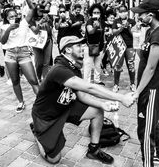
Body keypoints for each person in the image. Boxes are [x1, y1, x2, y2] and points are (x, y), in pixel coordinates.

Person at [30, 35, 137, 164]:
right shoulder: (59, 69)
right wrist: (121, 98)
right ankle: (37, 134)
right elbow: (90, 88)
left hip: (65, 107)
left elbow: (82, 95)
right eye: (78, 46)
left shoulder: (74, 67)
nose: (83, 48)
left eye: (82, 45)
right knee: (54, 159)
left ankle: (94, 150)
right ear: (68, 50)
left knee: (97, 111)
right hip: (46, 116)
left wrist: (102, 105)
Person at [131, 0, 159, 167]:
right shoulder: (150, 32)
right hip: (148, 87)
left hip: (152, 89)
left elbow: (151, 68)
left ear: (151, 15)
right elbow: (143, 56)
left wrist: (137, 92)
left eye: (141, 14)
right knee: (151, 123)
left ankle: (148, 164)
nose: (138, 16)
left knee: (145, 132)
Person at [0, 0, 39, 113]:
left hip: (23, 54)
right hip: (10, 55)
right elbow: (3, 41)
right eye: (10, 17)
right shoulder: (4, 27)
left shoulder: (23, 23)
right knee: (15, 80)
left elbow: (32, 8)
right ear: (7, 18)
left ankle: (41, 102)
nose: (13, 18)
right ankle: (21, 102)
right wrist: (9, 30)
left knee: (33, 80)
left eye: (15, 15)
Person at [112, 5, 136, 92]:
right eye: (121, 11)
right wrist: (121, 27)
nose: (123, 13)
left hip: (130, 46)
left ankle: (132, 84)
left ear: (127, 12)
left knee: (131, 65)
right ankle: (116, 84)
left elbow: (133, 33)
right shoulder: (116, 21)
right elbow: (114, 32)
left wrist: (128, 26)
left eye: (124, 11)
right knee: (118, 66)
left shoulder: (132, 21)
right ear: (118, 12)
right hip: (119, 46)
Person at [83, 3, 105, 85]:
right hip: (90, 46)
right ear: (91, 13)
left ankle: (97, 80)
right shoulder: (90, 21)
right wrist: (95, 27)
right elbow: (90, 31)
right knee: (88, 65)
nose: (96, 14)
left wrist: (104, 45)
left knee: (97, 65)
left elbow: (103, 34)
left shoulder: (102, 22)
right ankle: (86, 83)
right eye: (94, 12)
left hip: (100, 46)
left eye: (98, 12)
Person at [31, 4, 53, 82]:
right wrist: (41, 22)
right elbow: (35, 31)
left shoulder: (48, 18)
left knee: (46, 63)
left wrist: (48, 20)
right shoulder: (32, 19)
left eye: (42, 10)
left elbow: (51, 29)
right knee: (39, 63)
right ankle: (38, 77)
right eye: (39, 10)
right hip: (37, 43)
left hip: (47, 41)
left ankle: (45, 79)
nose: (41, 12)